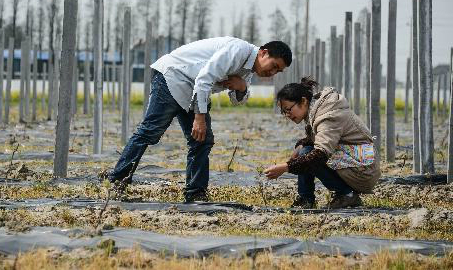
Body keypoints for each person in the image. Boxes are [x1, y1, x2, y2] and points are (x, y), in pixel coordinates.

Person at [109, 36, 292, 202]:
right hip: (173, 77)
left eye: (278, 71)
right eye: (274, 66)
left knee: (201, 140)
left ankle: (195, 193)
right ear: (264, 53)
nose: (272, 73)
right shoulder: (239, 51)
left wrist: (242, 87)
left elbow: (237, 101)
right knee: (150, 132)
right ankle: (118, 180)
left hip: (193, 89)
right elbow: (204, 79)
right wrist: (199, 117)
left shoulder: (249, 70)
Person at [264, 77, 380, 209]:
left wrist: (285, 167)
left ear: (303, 101)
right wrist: (300, 145)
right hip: (356, 162)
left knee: (308, 154)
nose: (287, 115)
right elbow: (318, 139)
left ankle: (345, 195)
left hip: (363, 170)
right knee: (305, 150)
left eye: (288, 109)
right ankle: (306, 199)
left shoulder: (328, 115)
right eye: (284, 112)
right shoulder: (318, 111)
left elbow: (320, 154)